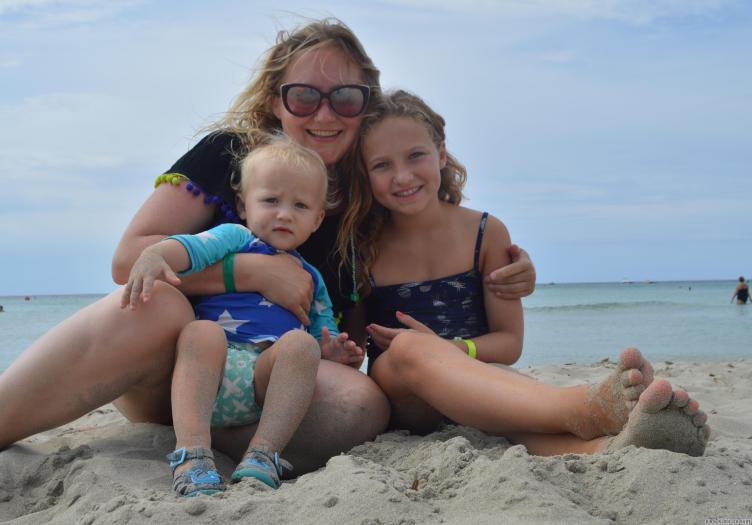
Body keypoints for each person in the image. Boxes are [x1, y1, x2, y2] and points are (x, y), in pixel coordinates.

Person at [0, 19, 536, 472]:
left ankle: (227, 448)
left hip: (263, 380)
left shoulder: (361, 197)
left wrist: (508, 270)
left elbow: (432, 239)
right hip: (173, 365)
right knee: (157, 303)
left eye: (345, 98)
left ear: (365, 106)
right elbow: (128, 260)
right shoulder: (231, 155)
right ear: (275, 99)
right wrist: (249, 274)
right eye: (303, 95)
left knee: (360, 404)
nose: (324, 114)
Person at [339, 89, 709, 456]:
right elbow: (355, 349)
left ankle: (606, 448)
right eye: (382, 165)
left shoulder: (486, 233)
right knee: (409, 347)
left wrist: (455, 349)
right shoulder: (359, 247)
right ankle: (582, 407)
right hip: (404, 396)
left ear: (441, 153)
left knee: (506, 400)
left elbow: (509, 342)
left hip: (478, 380)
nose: (402, 176)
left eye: (415, 155)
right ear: (365, 174)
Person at [123, 137, 364, 495]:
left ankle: (263, 454)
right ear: (243, 205)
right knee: (201, 332)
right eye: (271, 200)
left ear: (316, 220)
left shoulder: (311, 278)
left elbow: (320, 334)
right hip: (210, 372)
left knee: (300, 345)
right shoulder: (235, 237)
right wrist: (156, 255)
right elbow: (191, 249)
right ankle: (192, 455)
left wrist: (332, 351)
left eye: (300, 205)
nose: (284, 214)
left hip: (265, 384)